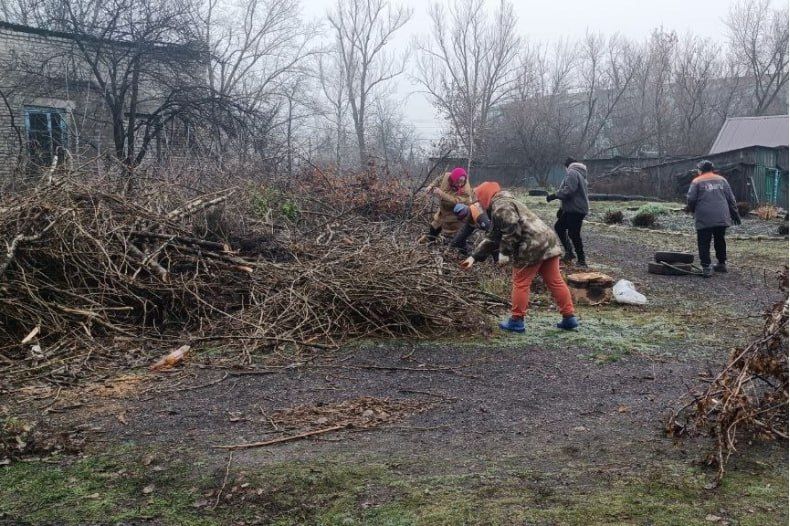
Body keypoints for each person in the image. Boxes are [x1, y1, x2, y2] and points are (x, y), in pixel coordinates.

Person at [460, 182, 579, 332]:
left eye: (479, 198)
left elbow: (511, 229)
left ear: (485, 196)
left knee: (520, 283)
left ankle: (516, 320)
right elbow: (493, 237)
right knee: (555, 281)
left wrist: (504, 252)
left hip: (531, 245)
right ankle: (569, 317)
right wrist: (474, 257)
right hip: (547, 241)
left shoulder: (500, 206)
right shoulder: (508, 202)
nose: (478, 203)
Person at [686, 160, 740, 278]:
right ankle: (721, 264)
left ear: (700, 170)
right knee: (720, 239)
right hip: (722, 215)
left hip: (704, 216)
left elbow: (691, 199)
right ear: (712, 169)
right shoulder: (722, 180)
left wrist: (693, 210)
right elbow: (731, 198)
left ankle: (706, 267)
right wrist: (735, 213)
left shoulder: (697, 181)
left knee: (704, 241)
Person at [547, 157, 589, 268]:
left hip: (576, 209)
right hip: (574, 208)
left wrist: (554, 195)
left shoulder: (572, 172)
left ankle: (582, 261)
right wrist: (562, 209)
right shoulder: (579, 173)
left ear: (567, 166)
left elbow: (569, 190)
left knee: (573, 233)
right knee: (559, 227)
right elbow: (573, 193)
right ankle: (570, 253)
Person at [419, 167, 473, 243]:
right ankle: (428, 241)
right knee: (435, 225)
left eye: (462, 181)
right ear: (453, 178)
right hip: (443, 209)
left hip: (455, 214)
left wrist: (441, 194)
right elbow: (438, 180)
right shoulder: (446, 176)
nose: (460, 184)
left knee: (455, 235)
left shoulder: (466, 191)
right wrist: (430, 186)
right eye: (458, 181)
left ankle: (461, 249)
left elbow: (455, 200)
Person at [448, 186, 493, 255]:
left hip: (492, 226)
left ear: (467, 211)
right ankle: (466, 252)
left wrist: (480, 252)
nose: (464, 219)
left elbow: (492, 234)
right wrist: (451, 246)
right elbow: (462, 233)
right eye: (461, 217)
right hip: (474, 221)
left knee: (493, 243)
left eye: (464, 215)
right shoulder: (469, 215)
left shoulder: (480, 217)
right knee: (458, 241)